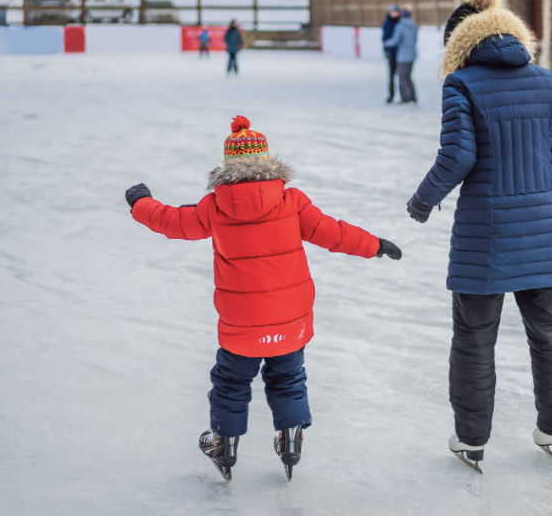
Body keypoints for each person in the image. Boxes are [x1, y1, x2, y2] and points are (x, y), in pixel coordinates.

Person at [124, 116, 403, 482]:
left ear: (228, 167)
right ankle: (290, 437)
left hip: (241, 323)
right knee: (288, 378)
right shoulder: (292, 201)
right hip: (291, 319)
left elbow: (173, 222)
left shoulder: (215, 206)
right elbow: (333, 232)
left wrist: (140, 202)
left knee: (231, 382)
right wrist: (375, 245)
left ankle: (224, 444)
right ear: (267, 161)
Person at [404, 0, 552, 472]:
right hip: (544, 231)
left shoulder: (461, 84)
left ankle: (471, 439)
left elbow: (458, 155)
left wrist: (423, 200)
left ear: (459, 45)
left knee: (473, 340)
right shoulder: (545, 79)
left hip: (484, 238)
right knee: (549, 338)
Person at [382, 8, 418, 103]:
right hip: (412, 54)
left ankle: (405, 98)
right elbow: (415, 39)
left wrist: (386, 43)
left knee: (402, 77)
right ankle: (413, 96)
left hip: (402, 56)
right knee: (408, 77)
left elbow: (395, 40)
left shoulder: (400, 26)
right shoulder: (414, 25)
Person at [381, 6, 401, 103]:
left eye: (396, 12)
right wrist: (387, 48)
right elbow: (385, 38)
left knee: (402, 75)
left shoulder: (400, 23)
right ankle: (391, 95)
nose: (395, 14)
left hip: (400, 53)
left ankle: (403, 95)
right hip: (391, 52)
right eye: (393, 12)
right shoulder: (387, 23)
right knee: (391, 75)